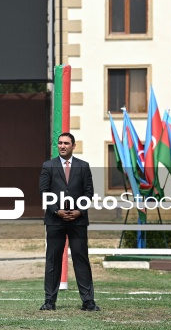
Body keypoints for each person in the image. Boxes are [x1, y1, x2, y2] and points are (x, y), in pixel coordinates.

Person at [39, 132, 100, 311]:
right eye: (60, 143)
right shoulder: (48, 166)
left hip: (78, 221)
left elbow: (89, 192)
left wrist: (79, 211)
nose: (63, 146)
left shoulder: (83, 166)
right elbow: (44, 192)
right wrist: (56, 211)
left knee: (81, 259)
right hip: (54, 221)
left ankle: (88, 301)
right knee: (53, 259)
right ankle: (49, 301)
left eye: (66, 143)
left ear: (73, 146)